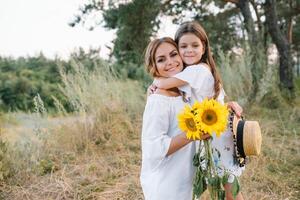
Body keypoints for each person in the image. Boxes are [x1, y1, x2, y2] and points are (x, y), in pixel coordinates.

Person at [152, 21, 244, 200]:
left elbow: (163, 82)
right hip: (213, 131)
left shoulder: (198, 70)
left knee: (228, 185)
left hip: (217, 134)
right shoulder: (194, 71)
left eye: (195, 45)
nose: (189, 50)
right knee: (221, 183)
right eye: (183, 46)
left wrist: (154, 83)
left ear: (204, 47)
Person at [140, 37, 210, 200]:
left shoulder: (184, 91)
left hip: (185, 178)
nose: (170, 62)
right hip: (167, 183)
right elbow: (153, 147)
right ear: (154, 66)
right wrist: (193, 134)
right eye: (161, 59)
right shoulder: (159, 99)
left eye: (173, 54)